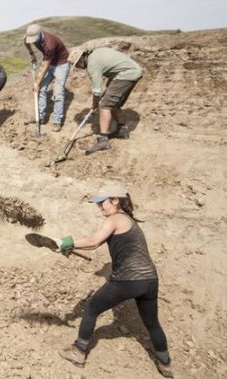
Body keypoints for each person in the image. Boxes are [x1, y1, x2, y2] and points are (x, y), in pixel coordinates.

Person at [52, 183, 173, 378]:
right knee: (152, 323)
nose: (100, 207)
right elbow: (94, 245)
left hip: (128, 279)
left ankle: (78, 351)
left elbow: (94, 240)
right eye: (98, 204)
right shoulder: (129, 221)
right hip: (150, 280)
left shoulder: (115, 218)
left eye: (103, 203)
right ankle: (165, 364)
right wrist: (70, 247)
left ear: (116, 201)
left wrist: (65, 242)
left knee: (91, 308)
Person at [69, 46, 142, 155]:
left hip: (127, 74)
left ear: (81, 59)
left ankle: (103, 140)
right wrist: (108, 89)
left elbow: (97, 90)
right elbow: (113, 67)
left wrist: (95, 104)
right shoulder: (96, 54)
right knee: (113, 104)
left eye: (77, 65)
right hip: (130, 72)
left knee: (104, 106)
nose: (78, 67)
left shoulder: (92, 65)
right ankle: (122, 130)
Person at [23, 24, 71, 131]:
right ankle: (40, 117)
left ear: (40, 34)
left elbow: (45, 65)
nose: (33, 42)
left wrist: (37, 83)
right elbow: (24, 41)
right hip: (50, 63)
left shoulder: (49, 44)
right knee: (42, 89)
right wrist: (31, 53)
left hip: (61, 65)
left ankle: (57, 121)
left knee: (58, 94)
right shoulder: (32, 36)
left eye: (34, 40)